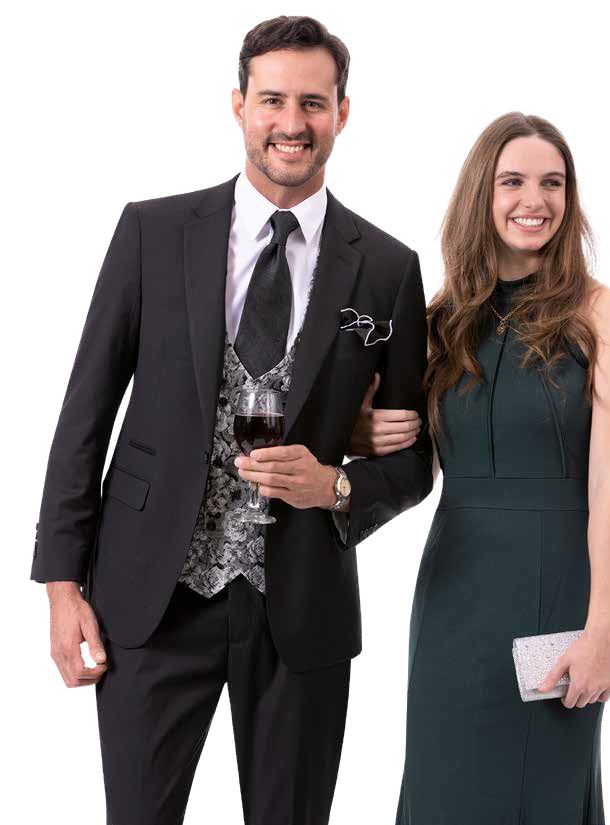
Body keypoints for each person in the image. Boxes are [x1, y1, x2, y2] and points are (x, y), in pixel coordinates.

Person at [31, 16, 432, 825]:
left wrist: (339, 486)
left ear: (342, 114)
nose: (293, 123)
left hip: (301, 611)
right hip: (150, 597)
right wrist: (61, 583)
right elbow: (85, 410)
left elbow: (412, 457)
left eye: (313, 103)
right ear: (239, 105)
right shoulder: (151, 232)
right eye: (274, 99)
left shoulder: (386, 270)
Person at [349, 112, 610, 823]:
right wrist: (360, 429)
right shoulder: (437, 323)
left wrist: (600, 628)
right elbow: (403, 461)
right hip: (453, 591)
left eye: (552, 182)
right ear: (481, 194)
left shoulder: (607, 315)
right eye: (512, 181)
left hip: (554, 585)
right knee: (442, 787)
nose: (533, 199)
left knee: (540, 787)